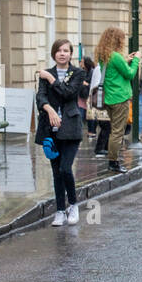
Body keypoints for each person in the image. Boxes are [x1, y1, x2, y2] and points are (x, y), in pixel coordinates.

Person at [35, 38, 89, 226]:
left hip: (71, 127)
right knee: (56, 172)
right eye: (58, 50)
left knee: (66, 168)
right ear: (53, 53)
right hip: (51, 129)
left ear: (70, 54)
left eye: (66, 50)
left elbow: (68, 93)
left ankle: (73, 204)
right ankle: (59, 210)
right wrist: (48, 109)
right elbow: (40, 96)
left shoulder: (78, 72)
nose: (62, 53)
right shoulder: (46, 73)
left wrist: (51, 79)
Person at [96, 26, 139, 174]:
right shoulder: (116, 56)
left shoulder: (104, 55)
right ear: (117, 40)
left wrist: (126, 59)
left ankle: (113, 160)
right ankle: (113, 162)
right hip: (120, 97)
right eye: (122, 39)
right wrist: (136, 60)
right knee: (117, 132)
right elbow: (130, 74)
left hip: (109, 97)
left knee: (114, 131)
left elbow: (114, 70)